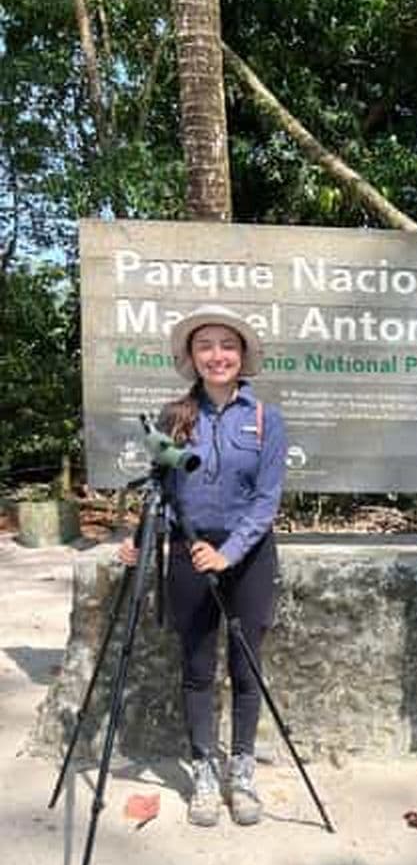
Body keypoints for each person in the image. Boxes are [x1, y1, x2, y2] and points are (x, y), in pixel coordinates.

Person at [120, 303, 288, 828]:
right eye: (205, 346)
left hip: (248, 555)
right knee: (196, 668)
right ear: (192, 357)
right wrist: (138, 539)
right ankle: (204, 772)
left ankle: (242, 771)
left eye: (227, 345)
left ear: (243, 355)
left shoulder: (266, 418)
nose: (217, 355)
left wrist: (228, 552)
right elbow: (161, 488)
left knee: (245, 666)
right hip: (188, 553)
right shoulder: (173, 417)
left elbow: (266, 499)